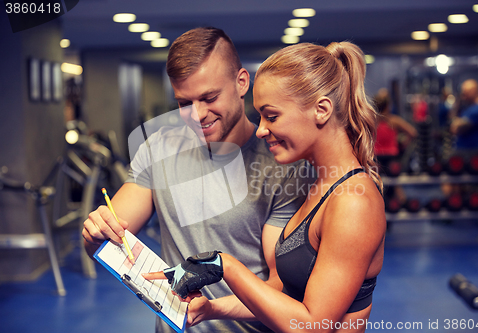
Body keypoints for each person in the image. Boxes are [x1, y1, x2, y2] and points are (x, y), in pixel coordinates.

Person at [82, 27, 314, 333]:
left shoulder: (283, 165)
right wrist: (96, 231)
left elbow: (280, 284)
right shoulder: (159, 149)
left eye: (209, 97)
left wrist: (214, 308)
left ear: (242, 82)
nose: (197, 114)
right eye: (184, 103)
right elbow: (111, 238)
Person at [145, 41, 386, 333]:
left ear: (321, 110)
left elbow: (312, 325)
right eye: (260, 116)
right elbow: (287, 298)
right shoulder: (322, 186)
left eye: (271, 116)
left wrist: (225, 266)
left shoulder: (353, 201)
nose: (260, 129)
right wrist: (212, 308)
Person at [450, 79, 478, 150]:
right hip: (464, 150)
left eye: (465, 93)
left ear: (473, 91)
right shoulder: (470, 108)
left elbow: (456, 128)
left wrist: (456, 123)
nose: (463, 97)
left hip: (472, 152)